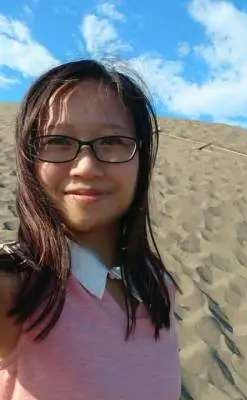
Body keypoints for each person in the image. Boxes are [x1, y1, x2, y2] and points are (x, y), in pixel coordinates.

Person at [0, 59, 181, 399]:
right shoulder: (17, 287)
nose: (86, 167)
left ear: (141, 159)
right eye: (58, 141)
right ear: (29, 160)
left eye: (112, 141)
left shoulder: (157, 284)